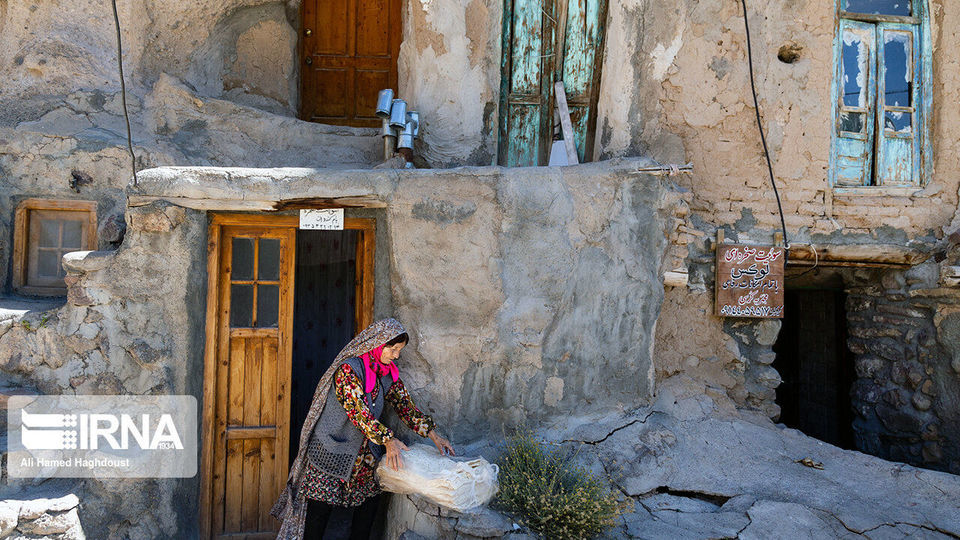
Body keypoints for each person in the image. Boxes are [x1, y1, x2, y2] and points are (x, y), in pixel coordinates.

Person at [271, 318, 455, 539]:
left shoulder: (387, 372)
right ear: (378, 343)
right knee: (318, 517)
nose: (396, 355)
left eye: (399, 350)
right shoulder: (348, 370)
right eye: (393, 349)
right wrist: (388, 439)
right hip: (330, 452)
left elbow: (405, 406)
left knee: (366, 513)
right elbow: (359, 413)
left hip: (363, 455)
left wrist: (433, 434)